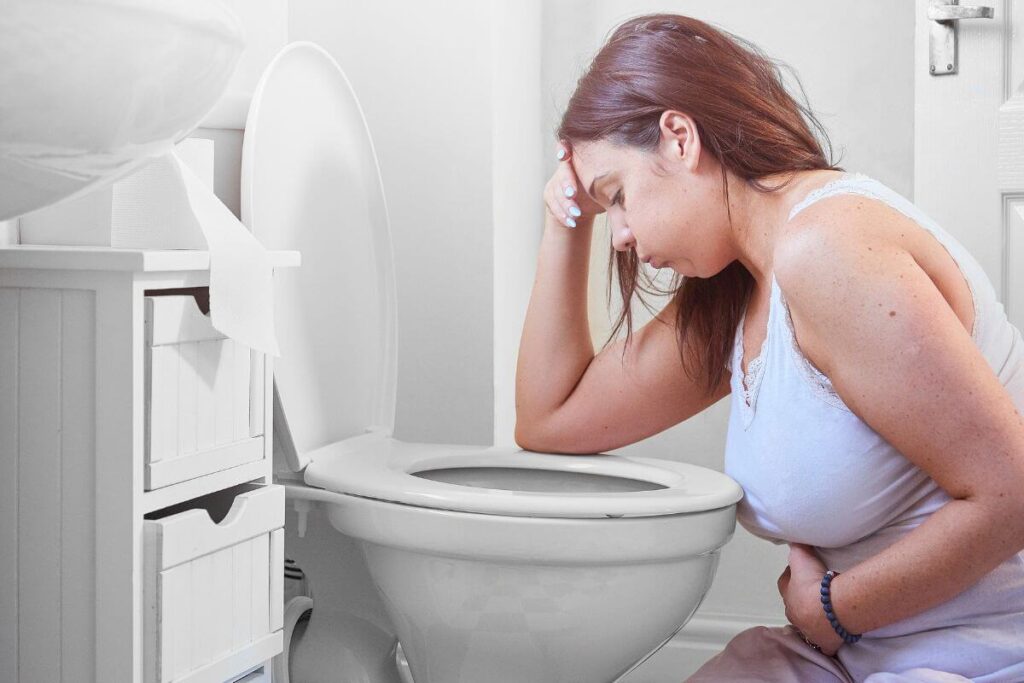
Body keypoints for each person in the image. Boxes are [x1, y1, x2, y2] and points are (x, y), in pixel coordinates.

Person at [514, 13, 1024, 683]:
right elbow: (549, 421)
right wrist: (565, 222)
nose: (622, 234)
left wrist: (835, 609)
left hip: (977, 655)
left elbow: (1013, 492)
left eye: (618, 197)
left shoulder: (827, 251)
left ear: (679, 138)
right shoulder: (742, 290)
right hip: (859, 650)